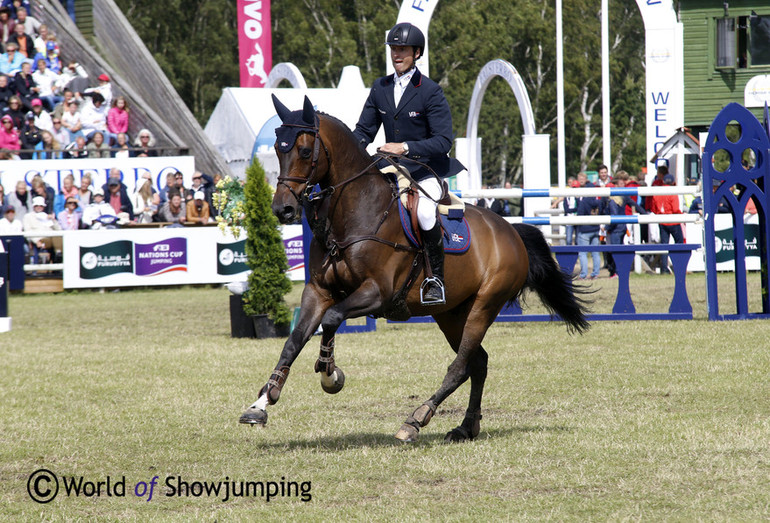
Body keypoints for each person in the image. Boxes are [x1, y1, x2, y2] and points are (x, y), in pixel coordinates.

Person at [351, 22, 464, 305]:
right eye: (393, 48)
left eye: (402, 49)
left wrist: (404, 147)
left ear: (416, 53)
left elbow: (443, 141)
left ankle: (435, 279)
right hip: (392, 168)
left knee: (426, 214)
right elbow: (364, 131)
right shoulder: (381, 87)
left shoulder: (430, 91)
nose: (397, 54)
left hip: (427, 170)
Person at [649, 173, 684, 274]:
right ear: (673, 182)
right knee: (679, 243)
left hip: (662, 221)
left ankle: (664, 268)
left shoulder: (658, 192)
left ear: (663, 181)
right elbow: (675, 209)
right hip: (673, 221)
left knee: (664, 245)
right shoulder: (672, 192)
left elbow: (654, 209)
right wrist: (682, 215)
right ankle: (679, 266)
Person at [22, 195, 60, 264]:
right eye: (37, 205)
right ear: (34, 206)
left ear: (43, 207)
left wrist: (53, 220)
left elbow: (59, 230)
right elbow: (28, 231)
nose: (39, 207)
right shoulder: (28, 217)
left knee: (58, 238)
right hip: (39, 239)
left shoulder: (47, 216)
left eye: (41, 205)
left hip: (51, 238)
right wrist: (36, 241)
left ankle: (58, 257)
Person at [576, 195, 602, 280]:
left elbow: (579, 214)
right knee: (595, 253)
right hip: (595, 229)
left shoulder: (584, 202)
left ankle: (583, 274)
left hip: (585, 230)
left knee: (583, 253)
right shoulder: (598, 202)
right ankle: (596, 274)